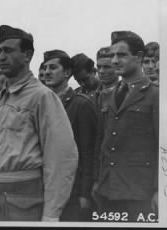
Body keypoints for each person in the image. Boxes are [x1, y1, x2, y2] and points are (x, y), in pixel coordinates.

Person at [0, 25, 78, 222]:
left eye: (8, 50)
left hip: (23, 196)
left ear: (27, 55)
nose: (1, 57)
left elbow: (61, 159)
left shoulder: (42, 97)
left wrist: (51, 213)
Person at [93, 31, 159, 222]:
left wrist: (158, 189)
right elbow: (101, 143)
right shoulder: (106, 95)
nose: (114, 61)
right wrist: (96, 181)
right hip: (107, 189)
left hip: (139, 191)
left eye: (121, 55)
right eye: (112, 55)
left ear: (138, 57)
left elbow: (163, 147)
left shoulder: (155, 96)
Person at [43, 49, 97, 221]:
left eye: (53, 67)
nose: (46, 72)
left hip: (73, 191)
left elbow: (88, 153)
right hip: (45, 187)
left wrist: (84, 193)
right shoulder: (41, 104)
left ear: (67, 73)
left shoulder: (81, 105)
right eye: (45, 68)